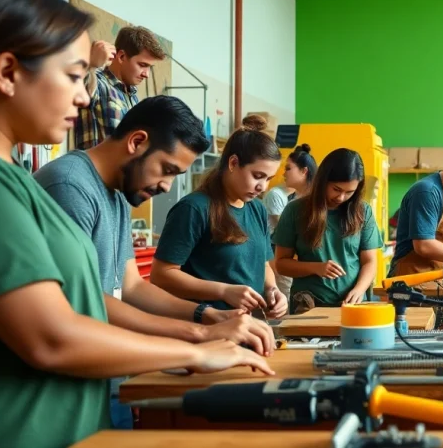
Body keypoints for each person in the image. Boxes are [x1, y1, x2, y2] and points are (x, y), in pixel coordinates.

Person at [0, 0, 271, 448]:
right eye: (72, 75)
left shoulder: (3, 174)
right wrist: (195, 345)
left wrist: (202, 325)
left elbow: (120, 290)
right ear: (8, 72)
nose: (85, 96)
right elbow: (53, 335)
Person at [35, 95, 276, 429]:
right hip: (60, 393)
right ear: (137, 141)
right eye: (167, 170)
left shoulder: (115, 194)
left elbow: (131, 287)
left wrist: (208, 315)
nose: (167, 186)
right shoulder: (69, 187)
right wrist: (198, 336)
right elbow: (79, 301)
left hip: (106, 376)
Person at [152, 116, 288, 318]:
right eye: (257, 176)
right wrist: (223, 291)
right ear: (233, 163)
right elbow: (162, 275)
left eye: (268, 179)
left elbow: (264, 264)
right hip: (203, 329)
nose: (263, 187)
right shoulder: (194, 209)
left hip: (247, 330)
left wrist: (272, 289)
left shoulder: (257, 209)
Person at [273, 149, 382, 308]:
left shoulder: (363, 211)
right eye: (336, 189)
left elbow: (370, 261)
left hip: (353, 305)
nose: (341, 197)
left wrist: (359, 290)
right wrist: (316, 268)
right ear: (323, 181)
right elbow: (281, 264)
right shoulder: (295, 210)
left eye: (349, 192)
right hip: (308, 306)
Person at [73, 25, 166, 150]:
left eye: (150, 67)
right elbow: (75, 89)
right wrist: (91, 64)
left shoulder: (133, 98)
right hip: (92, 169)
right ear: (121, 56)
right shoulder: (98, 83)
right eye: (142, 65)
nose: (146, 74)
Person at [264, 143, 318, 302]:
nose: (284, 173)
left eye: (288, 168)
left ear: (304, 171)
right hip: (289, 263)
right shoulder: (294, 201)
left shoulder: (314, 203)